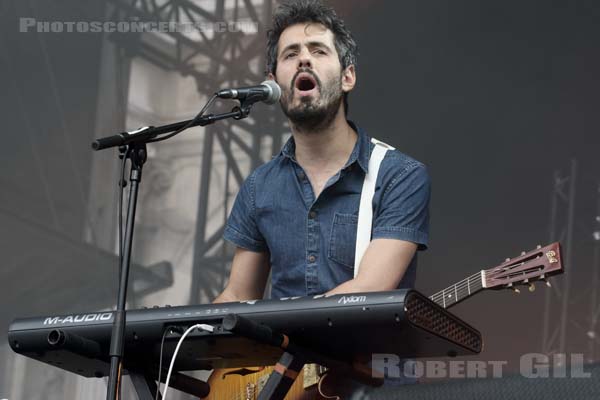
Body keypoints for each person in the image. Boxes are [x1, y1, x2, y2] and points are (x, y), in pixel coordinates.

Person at [213, 0, 430, 304]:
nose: (304, 59)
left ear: (347, 77)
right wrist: (177, 337)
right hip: (282, 353)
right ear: (273, 83)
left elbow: (370, 288)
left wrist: (276, 323)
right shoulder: (258, 188)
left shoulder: (399, 176)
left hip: (363, 351)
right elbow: (238, 294)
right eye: (291, 54)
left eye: (318, 51)